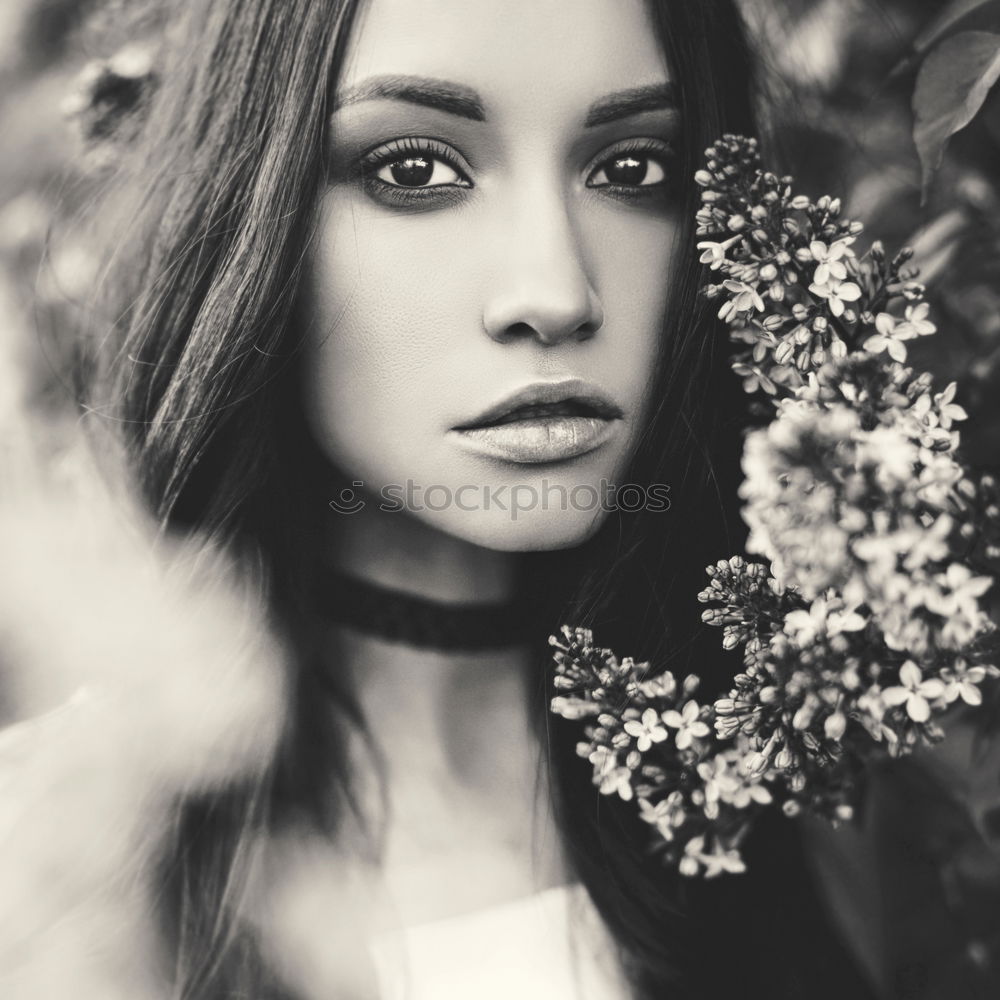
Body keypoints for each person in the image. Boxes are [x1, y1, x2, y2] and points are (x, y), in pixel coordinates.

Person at [72, 0, 883, 997]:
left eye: (633, 169)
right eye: (413, 169)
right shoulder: (66, 863)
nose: (554, 291)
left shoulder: (804, 772)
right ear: (244, 195)